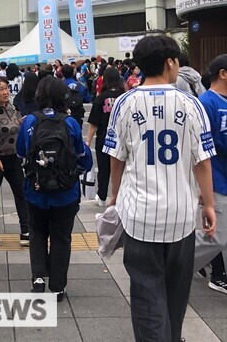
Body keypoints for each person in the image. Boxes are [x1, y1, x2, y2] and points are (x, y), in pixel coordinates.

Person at [103, 35, 216, 342]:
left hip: (139, 216)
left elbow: (116, 159)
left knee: (146, 294)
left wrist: (114, 195)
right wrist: (207, 203)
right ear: (169, 62)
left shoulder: (125, 103)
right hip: (180, 215)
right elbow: (202, 162)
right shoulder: (191, 104)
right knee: (176, 294)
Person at [17, 77, 92, 302]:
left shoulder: (29, 121)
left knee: (37, 232)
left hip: (35, 190)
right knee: (61, 237)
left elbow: (21, 153)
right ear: (63, 97)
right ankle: (58, 287)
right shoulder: (70, 123)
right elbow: (83, 157)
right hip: (65, 192)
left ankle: (38, 278)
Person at [0, 77, 29, 247]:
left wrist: (19, 122)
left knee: (21, 193)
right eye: (1, 89)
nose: (5, 92)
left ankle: (26, 230)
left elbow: (11, 126)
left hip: (13, 158)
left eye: (7, 88)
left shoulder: (11, 107)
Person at [195, 54, 227, 294]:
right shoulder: (206, 103)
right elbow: (200, 148)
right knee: (215, 237)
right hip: (216, 180)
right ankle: (170, 266)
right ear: (223, 74)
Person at [85, 67, 124, 207]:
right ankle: (120, 195)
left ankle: (102, 197)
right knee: (122, 168)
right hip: (122, 139)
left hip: (104, 138)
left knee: (104, 169)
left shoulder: (101, 98)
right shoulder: (125, 96)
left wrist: (88, 141)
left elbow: (93, 123)